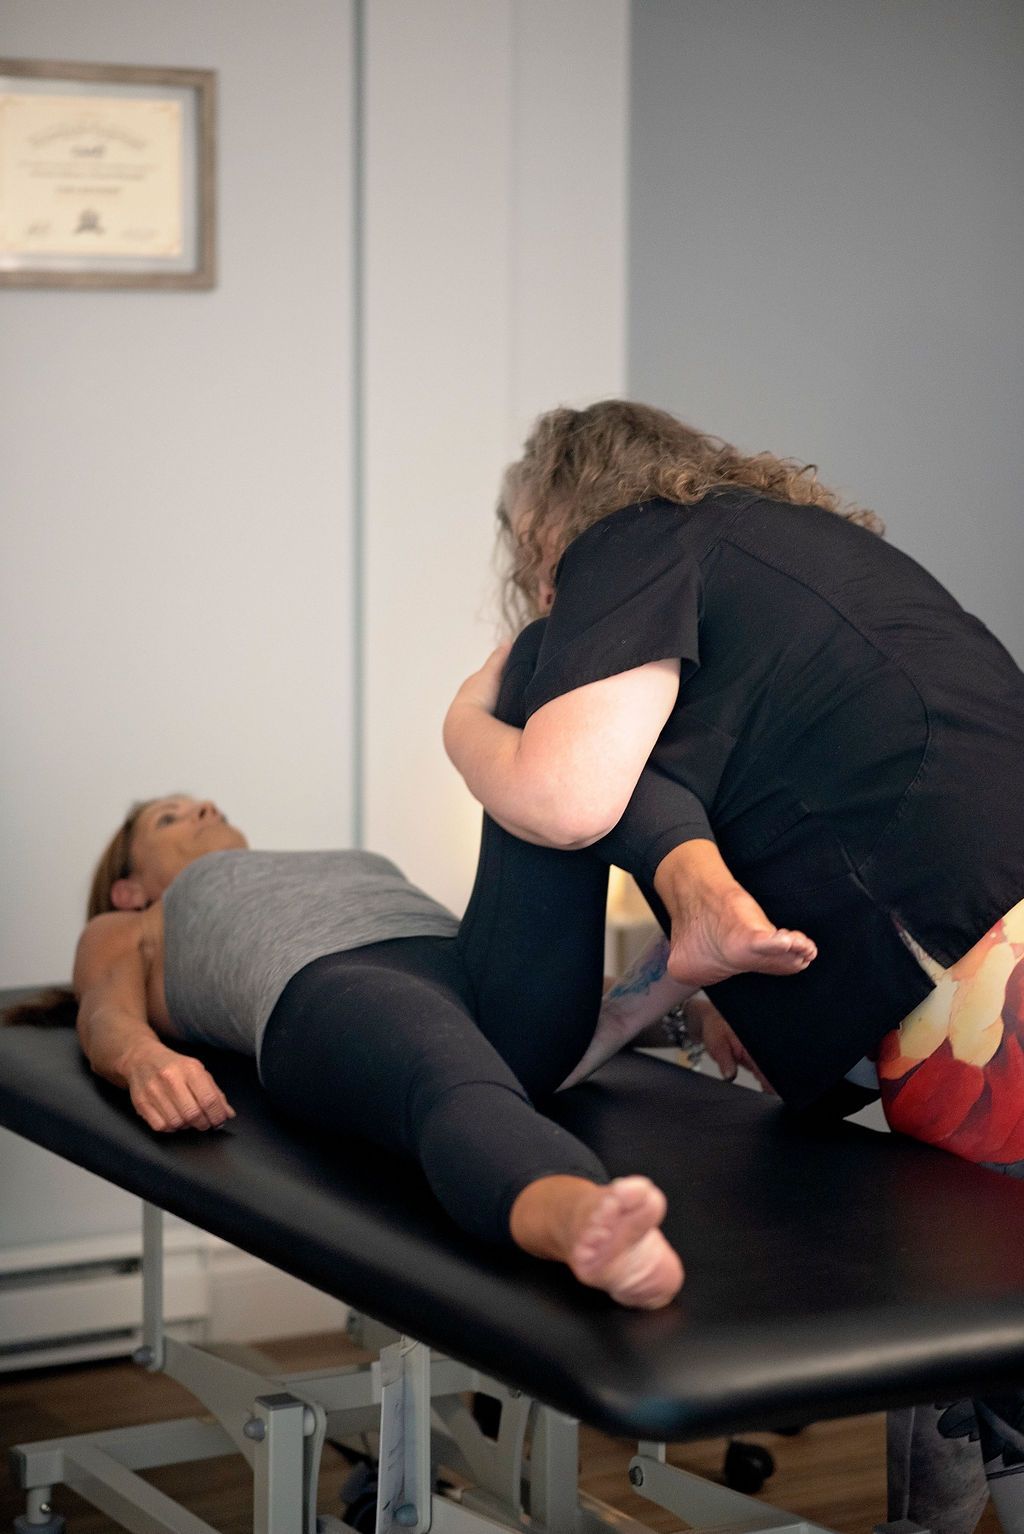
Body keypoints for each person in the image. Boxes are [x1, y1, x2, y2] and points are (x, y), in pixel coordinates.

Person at [443, 399, 1024, 1531]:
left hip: (969, 941)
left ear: (556, 517)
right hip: (973, 924)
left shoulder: (628, 540)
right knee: (983, 1294)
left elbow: (566, 799)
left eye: (525, 547)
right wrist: (640, 1003)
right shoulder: (775, 554)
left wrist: (466, 718)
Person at [13, 784, 685, 1311]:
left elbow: (545, 969)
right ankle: (579, 1218)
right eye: (170, 818)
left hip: (466, 970)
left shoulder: (332, 862)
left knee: (545, 802)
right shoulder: (130, 923)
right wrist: (143, 1060)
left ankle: (702, 920)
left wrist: (690, 1017)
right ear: (129, 889)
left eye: (201, 804)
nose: (204, 809)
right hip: (334, 983)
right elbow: (105, 1011)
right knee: (446, 1072)